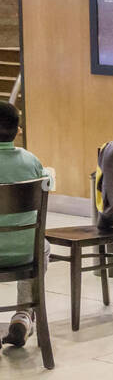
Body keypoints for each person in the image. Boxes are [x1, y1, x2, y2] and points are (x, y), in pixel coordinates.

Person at [0, 103, 47, 349]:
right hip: (26, 254)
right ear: (18, 130)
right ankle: (23, 314)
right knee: (42, 245)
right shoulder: (32, 162)